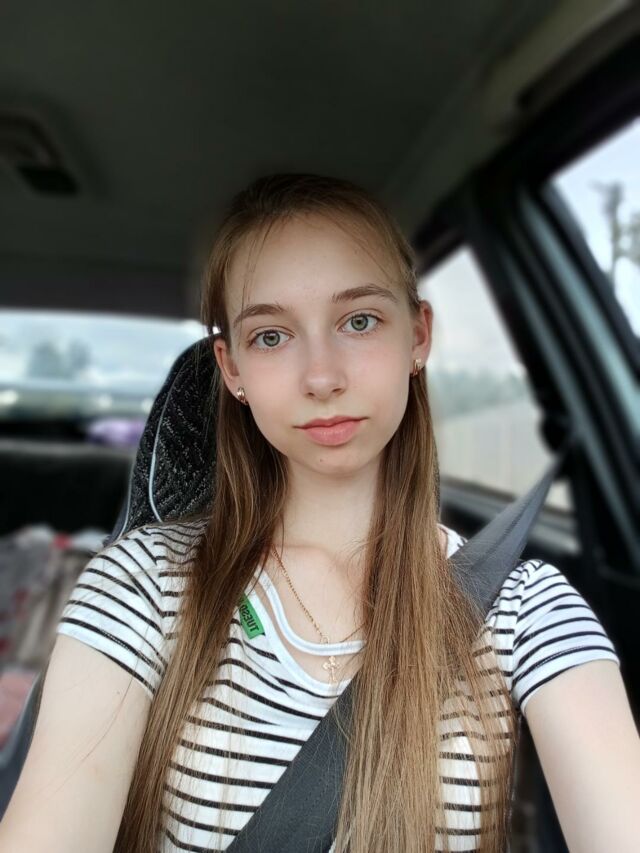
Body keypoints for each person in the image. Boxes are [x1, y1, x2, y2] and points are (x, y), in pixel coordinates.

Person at [1, 173, 638, 853]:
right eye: (272, 336)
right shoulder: (142, 581)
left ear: (418, 336)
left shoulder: (523, 607)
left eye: (359, 321)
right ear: (233, 369)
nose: (322, 377)